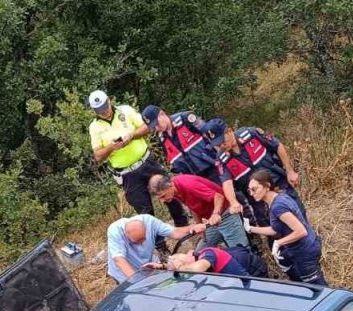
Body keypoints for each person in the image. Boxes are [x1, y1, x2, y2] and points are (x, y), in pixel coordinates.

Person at [87, 90, 187, 226]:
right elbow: (98, 155)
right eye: (99, 110)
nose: (104, 111)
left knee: (170, 193)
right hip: (127, 173)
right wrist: (111, 147)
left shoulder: (125, 110)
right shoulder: (94, 127)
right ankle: (160, 244)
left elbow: (147, 126)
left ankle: (184, 227)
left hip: (147, 162)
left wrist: (131, 135)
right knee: (144, 211)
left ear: (109, 101)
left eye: (105, 107)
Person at [201, 119, 302, 226]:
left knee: (298, 217)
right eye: (217, 144)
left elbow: (277, 146)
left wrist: (290, 171)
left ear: (229, 131)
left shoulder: (251, 134)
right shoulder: (221, 160)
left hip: (279, 185)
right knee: (274, 230)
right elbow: (227, 183)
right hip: (258, 200)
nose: (221, 146)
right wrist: (233, 201)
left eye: (223, 141)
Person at [245, 169, 326, 285]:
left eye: (254, 189)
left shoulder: (278, 207)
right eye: (249, 191)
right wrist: (251, 229)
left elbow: (301, 231)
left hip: (304, 251)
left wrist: (278, 243)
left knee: (319, 288)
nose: (252, 194)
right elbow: (275, 229)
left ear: (267, 186)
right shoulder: (277, 198)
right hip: (305, 246)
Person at [147, 173, 248, 250]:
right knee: (200, 252)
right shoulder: (175, 191)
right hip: (212, 221)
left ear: (170, 185)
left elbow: (218, 196)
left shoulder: (188, 184)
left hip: (226, 214)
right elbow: (192, 207)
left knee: (241, 251)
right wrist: (199, 225)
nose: (163, 201)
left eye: (163, 196)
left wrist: (216, 213)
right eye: (159, 198)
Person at [106, 214, 203, 283]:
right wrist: (136, 283)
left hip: (147, 265)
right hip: (124, 274)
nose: (141, 244)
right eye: (136, 242)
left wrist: (193, 227)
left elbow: (175, 232)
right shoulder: (115, 231)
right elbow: (119, 260)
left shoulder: (150, 222)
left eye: (143, 239)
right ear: (126, 235)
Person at [142, 106, 217, 177]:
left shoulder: (185, 118)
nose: (157, 128)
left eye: (157, 124)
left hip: (212, 168)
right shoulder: (161, 139)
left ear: (162, 114)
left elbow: (213, 135)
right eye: (153, 127)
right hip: (194, 179)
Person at [164, 244, 265, 277]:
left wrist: (180, 267)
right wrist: (162, 266)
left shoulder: (207, 254)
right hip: (242, 271)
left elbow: (198, 268)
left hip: (254, 269)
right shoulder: (198, 255)